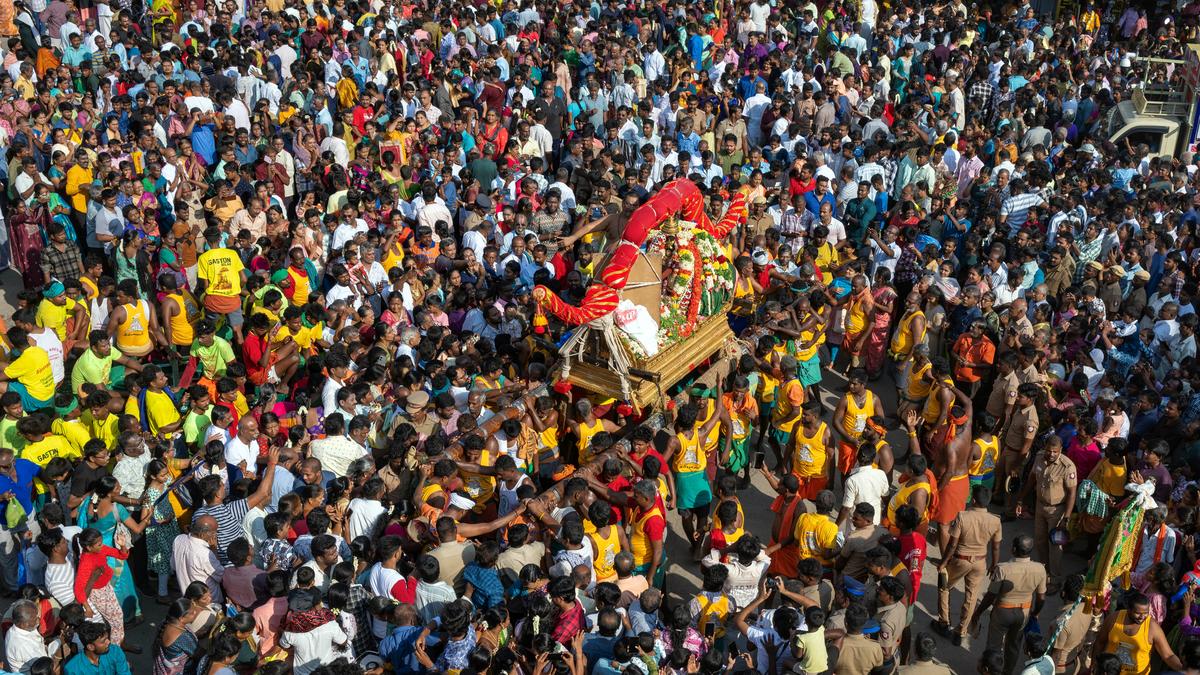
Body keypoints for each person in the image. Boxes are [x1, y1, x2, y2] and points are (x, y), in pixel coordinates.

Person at [934, 485, 1002, 648]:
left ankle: (944, 622)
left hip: (960, 559)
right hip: (980, 562)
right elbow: (996, 547)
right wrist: (994, 565)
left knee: (944, 586)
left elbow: (952, 544)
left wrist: (943, 562)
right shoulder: (995, 520)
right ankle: (961, 631)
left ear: (973, 500)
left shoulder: (963, 516)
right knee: (971, 597)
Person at [970, 535, 1048, 674]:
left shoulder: (1003, 569)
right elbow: (1041, 597)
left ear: (1013, 549)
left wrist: (978, 612)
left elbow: (990, 596)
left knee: (994, 646)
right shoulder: (1040, 569)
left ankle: (991, 671)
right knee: (1013, 646)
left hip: (1002, 611)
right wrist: (1035, 613)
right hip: (1024, 612)